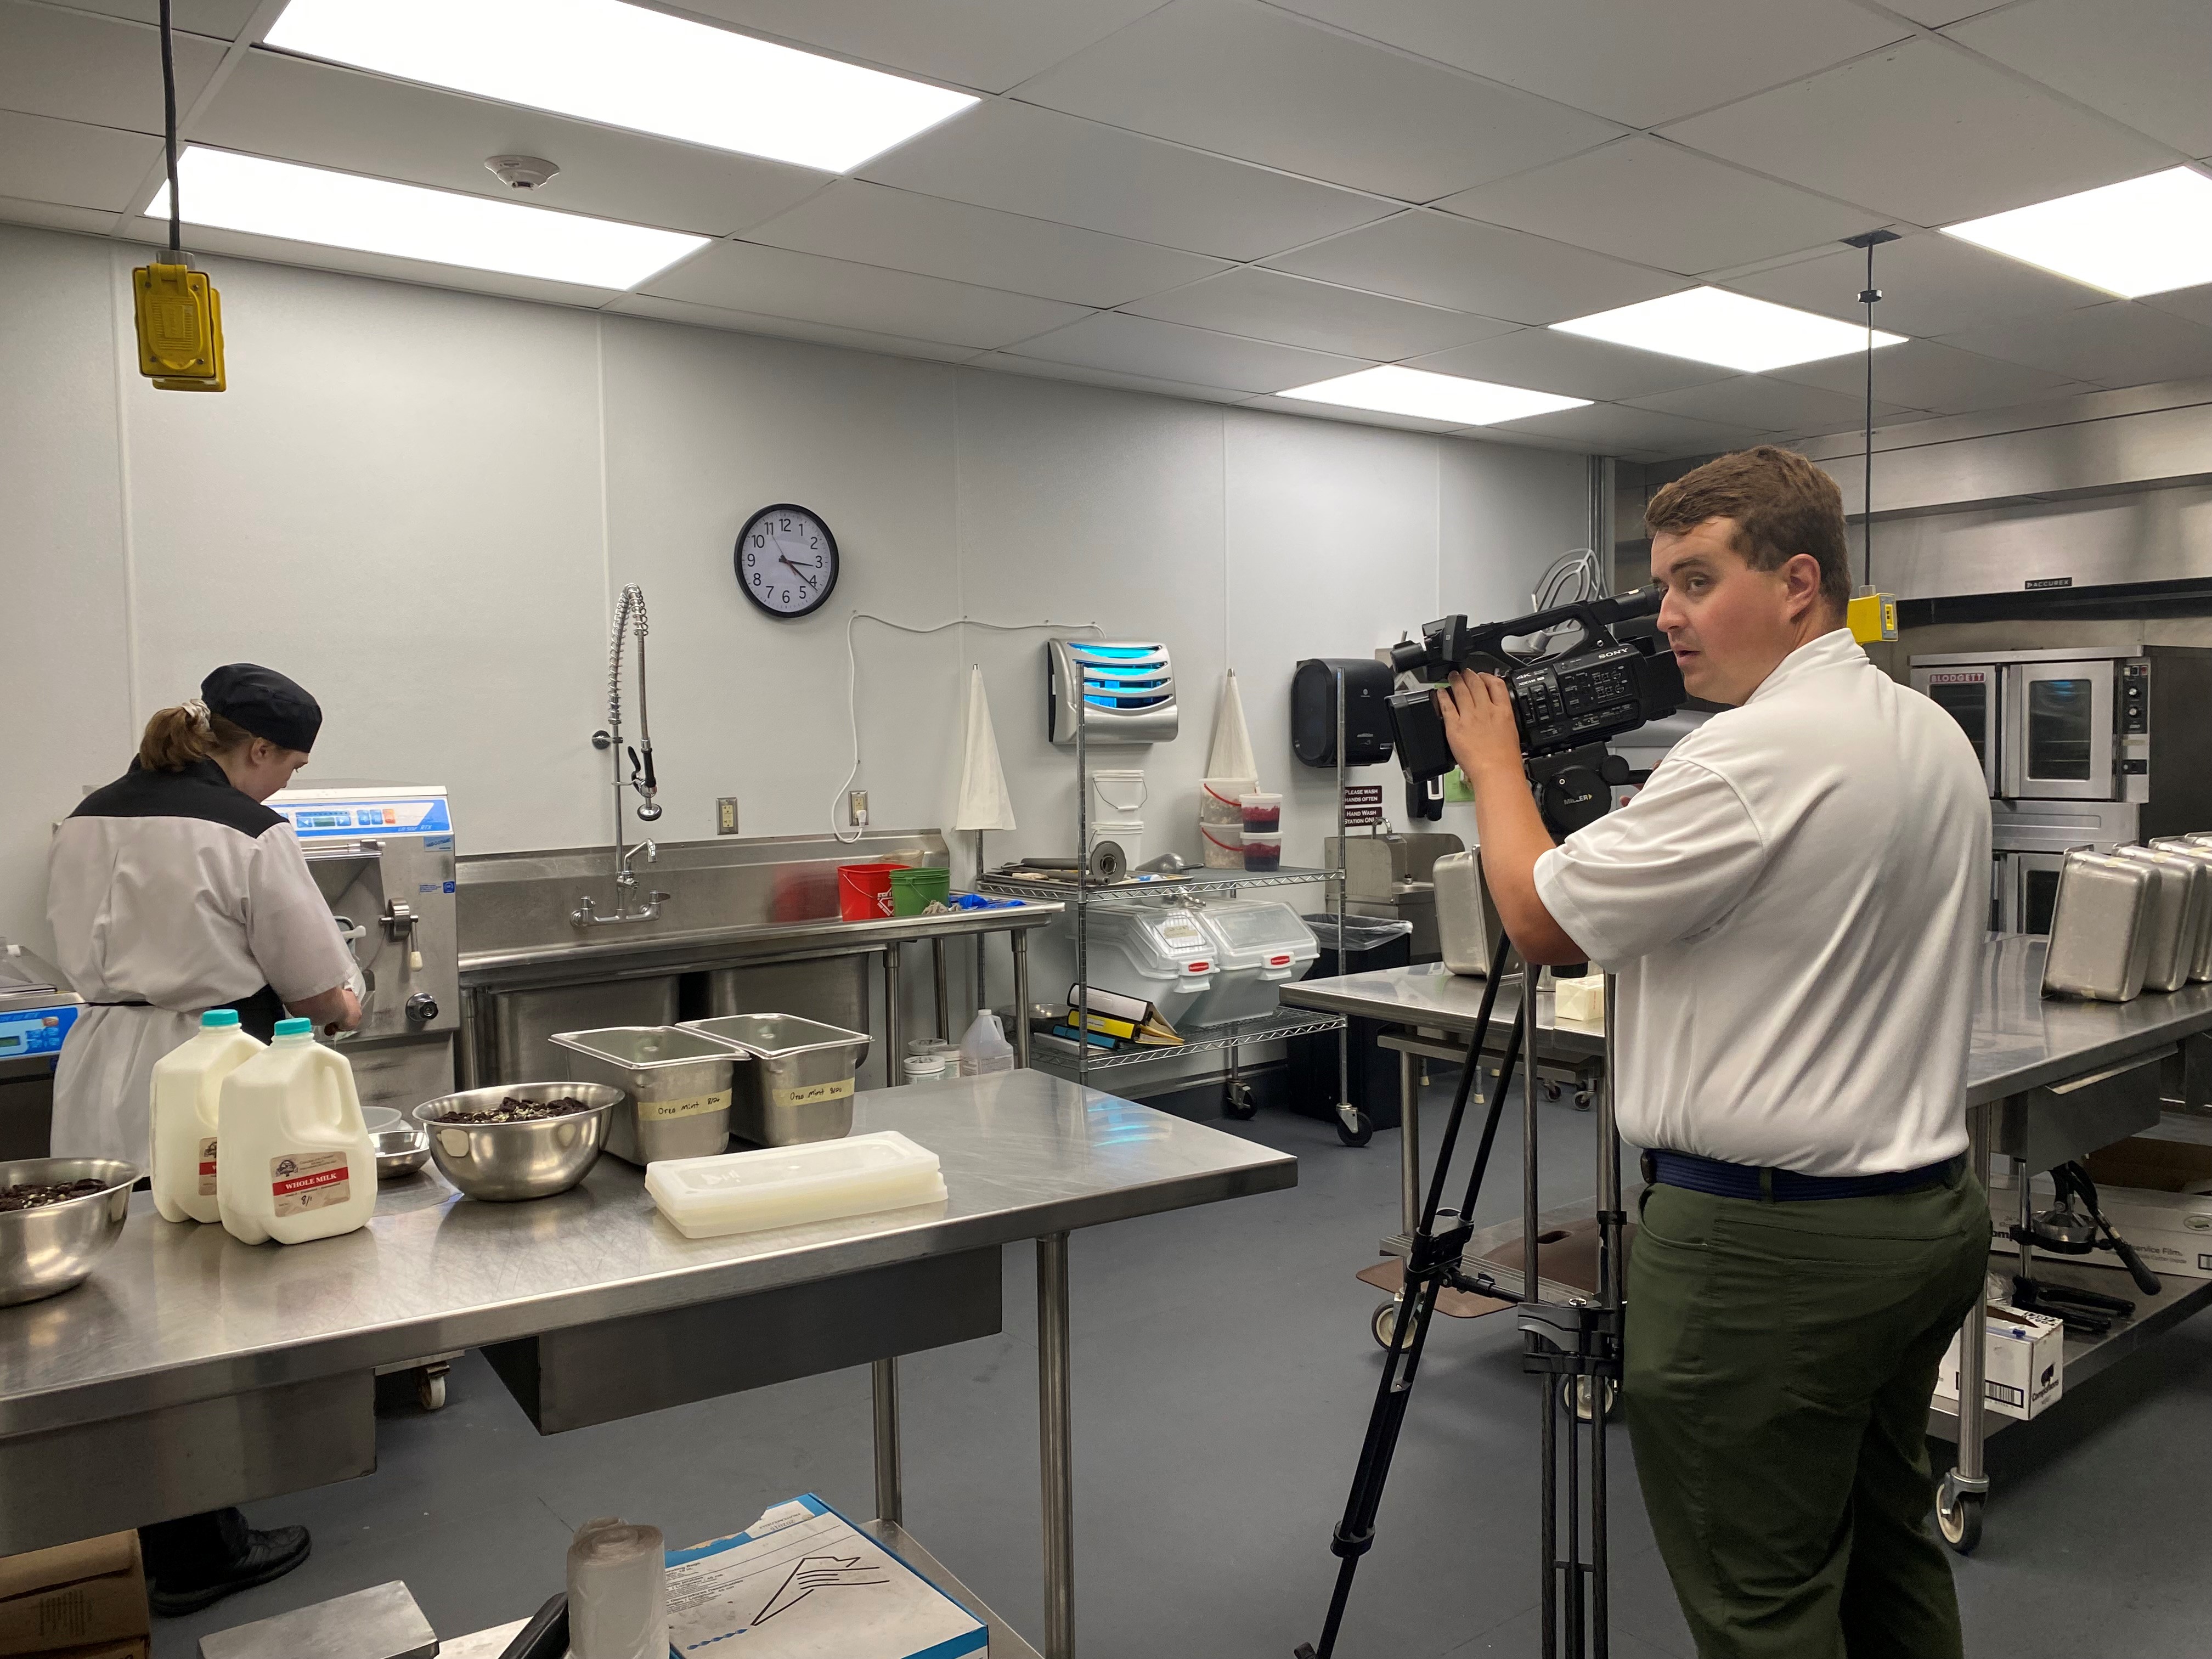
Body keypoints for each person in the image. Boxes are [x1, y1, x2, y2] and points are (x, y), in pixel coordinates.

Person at [1437, 447, 1991, 1659]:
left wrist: (1493, 765)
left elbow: (1540, 921)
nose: (1668, 618)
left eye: (1694, 581)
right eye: (1661, 589)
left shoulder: (1752, 755)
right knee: (1887, 1542)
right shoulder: (1926, 732)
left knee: (1763, 1602)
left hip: (1770, 1253)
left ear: (1799, 583)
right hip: (1923, 1219)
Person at [46, 662, 360, 1615]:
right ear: (254, 748)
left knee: (122, 1302)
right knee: (198, 1307)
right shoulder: (252, 834)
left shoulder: (87, 814)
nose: (286, 786)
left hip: (97, 1062)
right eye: (290, 766)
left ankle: (144, 1517)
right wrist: (352, 999)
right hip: (204, 1068)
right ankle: (200, 1546)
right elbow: (316, 987)